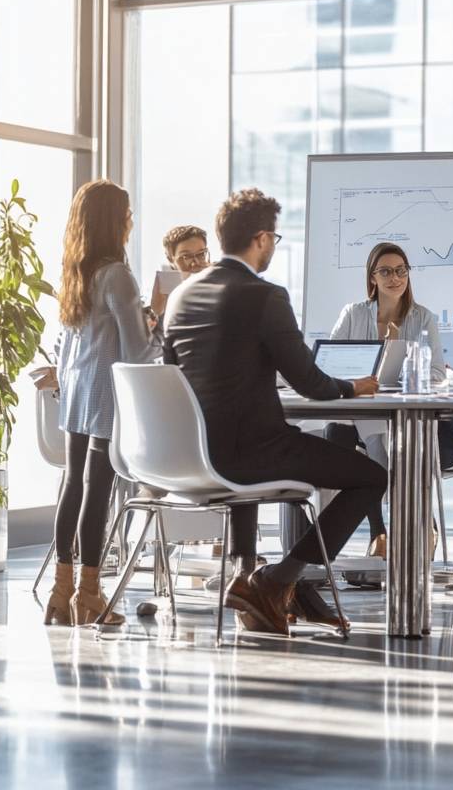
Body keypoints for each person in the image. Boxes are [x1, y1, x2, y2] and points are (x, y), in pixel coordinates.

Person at [163, 188, 386, 635]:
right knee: (373, 477)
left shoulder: (179, 298)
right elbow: (311, 383)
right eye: (275, 240)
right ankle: (276, 579)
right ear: (262, 239)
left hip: (189, 455)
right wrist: (355, 386)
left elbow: (172, 379)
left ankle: (276, 584)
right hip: (251, 454)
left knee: (293, 452)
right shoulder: (264, 295)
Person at [45, 180, 162, 627]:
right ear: (116, 221)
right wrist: (156, 326)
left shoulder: (75, 270)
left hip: (76, 390)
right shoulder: (117, 273)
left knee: (74, 484)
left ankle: (62, 591)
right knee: (99, 489)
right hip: (106, 394)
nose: (131, 220)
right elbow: (137, 353)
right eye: (127, 213)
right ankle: (89, 594)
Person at [324, 241, 453, 559]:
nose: (395, 278)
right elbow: (329, 363)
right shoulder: (353, 314)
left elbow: (439, 374)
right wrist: (356, 381)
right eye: (385, 271)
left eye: (401, 270)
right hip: (362, 406)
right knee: (374, 439)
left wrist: (406, 374)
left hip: (405, 413)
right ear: (372, 277)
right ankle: (413, 525)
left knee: (384, 443)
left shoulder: (422, 318)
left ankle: (387, 533)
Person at [149, 224, 210, 316]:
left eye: (201, 254)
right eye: (186, 256)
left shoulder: (217, 274)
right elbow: (157, 310)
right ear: (170, 258)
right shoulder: (166, 282)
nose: (195, 262)